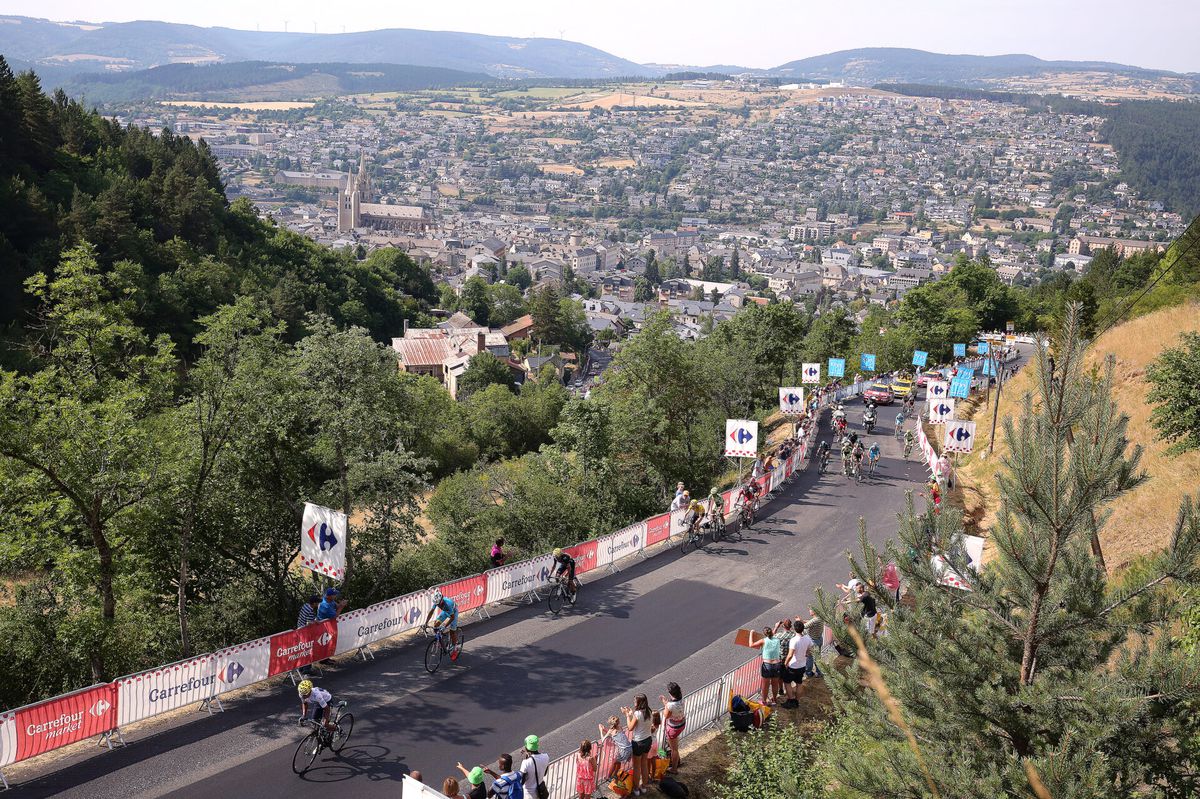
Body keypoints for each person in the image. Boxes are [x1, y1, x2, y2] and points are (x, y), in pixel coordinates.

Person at [622, 695, 654, 796]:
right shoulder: (649, 711)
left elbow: (630, 727)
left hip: (638, 742)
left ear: (639, 703)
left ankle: (636, 789)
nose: (634, 702)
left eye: (635, 701)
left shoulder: (637, 713)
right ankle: (644, 786)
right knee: (644, 764)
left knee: (637, 767)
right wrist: (632, 714)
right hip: (648, 740)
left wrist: (627, 715)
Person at [748, 626, 783, 706]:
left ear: (764, 634)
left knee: (765, 685)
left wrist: (751, 633)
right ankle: (774, 700)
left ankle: (764, 701)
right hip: (777, 664)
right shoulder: (777, 640)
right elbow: (772, 636)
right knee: (775, 684)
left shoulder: (763, 641)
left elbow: (751, 645)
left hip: (767, 665)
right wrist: (776, 627)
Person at [423, 589, 461, 658]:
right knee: (436, 626)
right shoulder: (437, 602)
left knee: (452, 631)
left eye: (438, 604)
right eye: (437, 604)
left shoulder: (448, 603)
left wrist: (445, 626)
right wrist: (426, 623)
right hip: (446, 612)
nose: (438, 605)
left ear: (442, 600)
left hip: (453, 613)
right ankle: (441, 639)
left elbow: (452, 617)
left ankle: (455, 648)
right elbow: (431, 612)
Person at [660, 682, 686, 772]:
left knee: (674, 749)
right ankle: (677, 762)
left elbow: (666, 715)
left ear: (670, 693)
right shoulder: (682, 699)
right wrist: (667, 704)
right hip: (681, 723)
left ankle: (674, 769)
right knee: (676, 746)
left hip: (673, 728)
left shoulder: (670, 705)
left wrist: (665, 705)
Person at [518, 735, 550, 799]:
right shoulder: (546, 757)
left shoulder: (525, 763)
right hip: (540, 791)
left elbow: (521, 781)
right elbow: (544, 773)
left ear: (527, 747)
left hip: (529, 794)